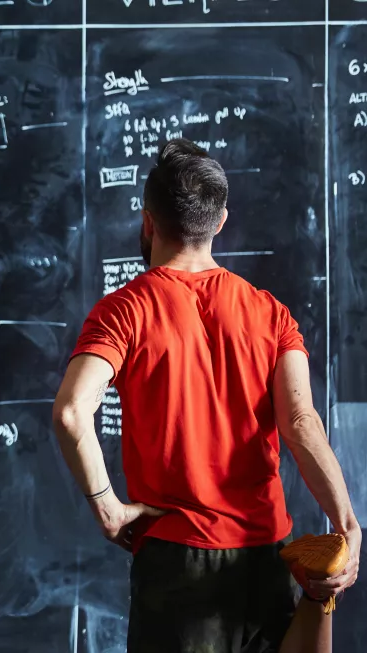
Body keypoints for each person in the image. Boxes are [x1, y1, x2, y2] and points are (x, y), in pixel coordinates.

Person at [52, 139, 361, 653]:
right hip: (267, 554)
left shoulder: (123, 310)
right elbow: (301, 423)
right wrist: (347, 525)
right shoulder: (270, 312)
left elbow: (70, 413)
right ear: (220, 223)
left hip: (178, 559)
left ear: (148, 221)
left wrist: (108, 509)